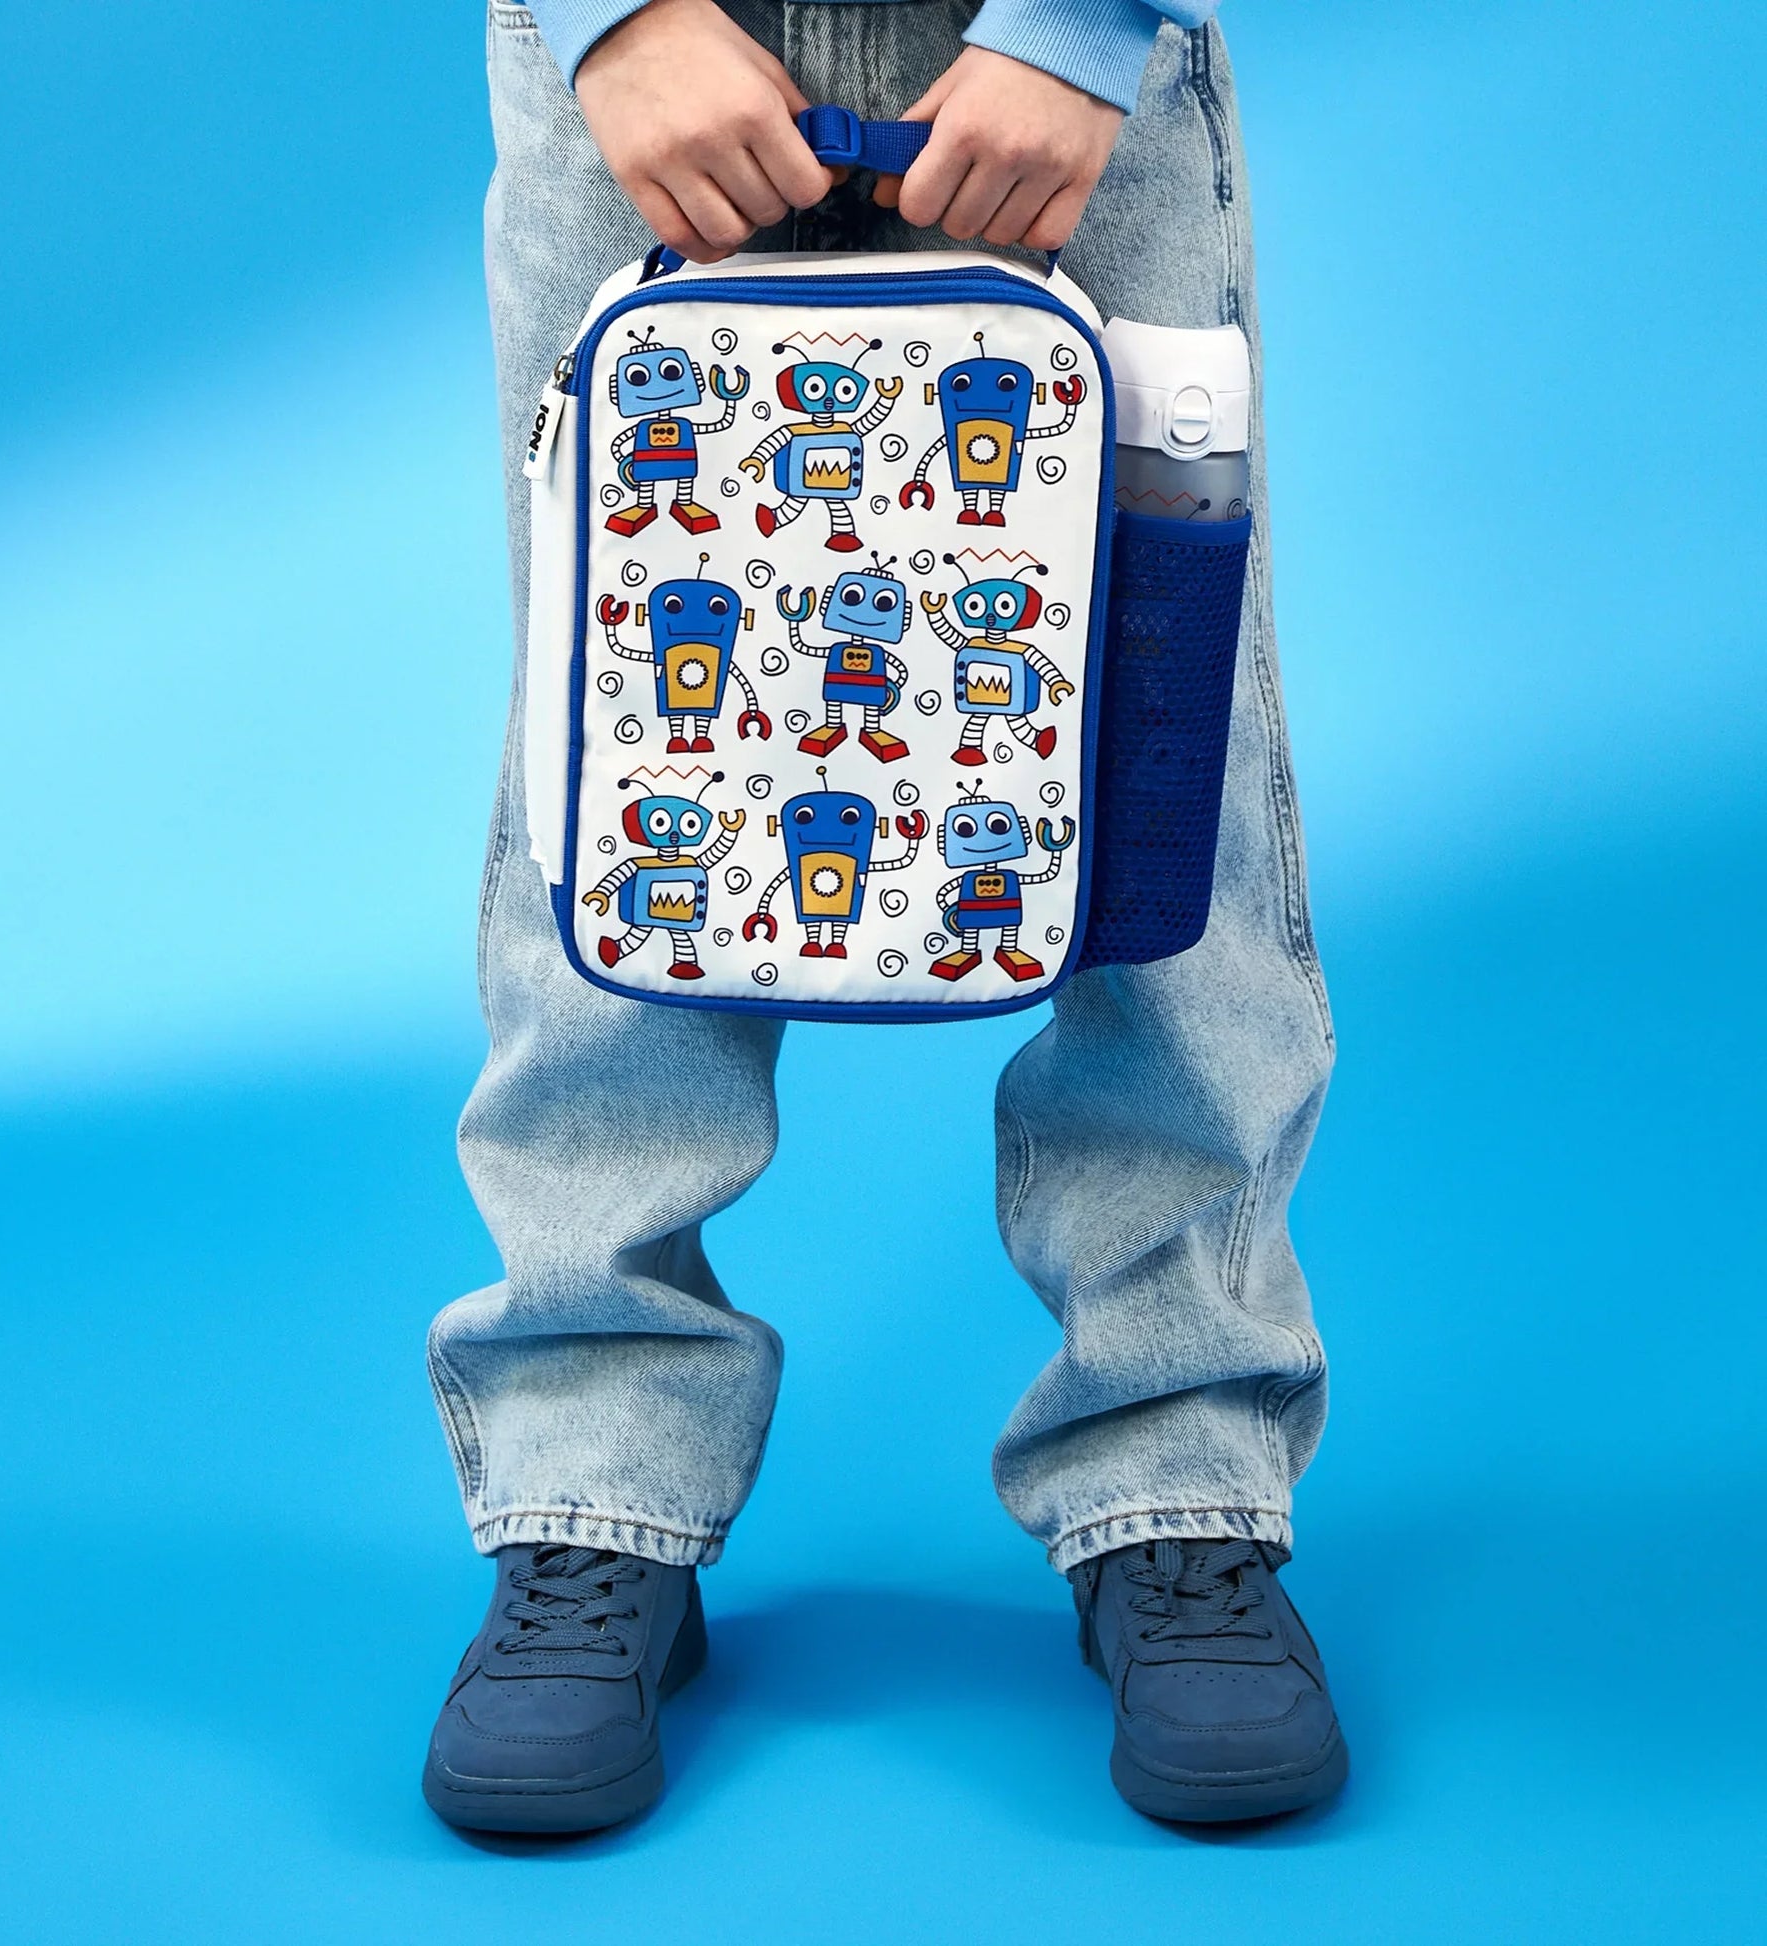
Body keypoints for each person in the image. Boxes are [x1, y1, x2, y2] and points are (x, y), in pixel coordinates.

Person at [422, 0, 1347, 1833]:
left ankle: (1174, 1474)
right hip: (640, 84)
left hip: (1073, 84)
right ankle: (590, 1484)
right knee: (624, 801)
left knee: (1155, 803)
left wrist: (1077, 28)